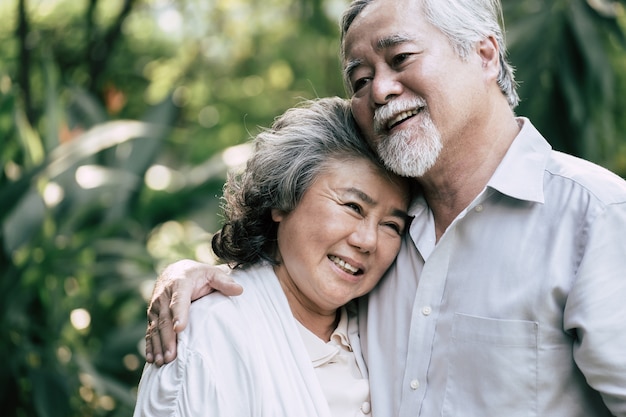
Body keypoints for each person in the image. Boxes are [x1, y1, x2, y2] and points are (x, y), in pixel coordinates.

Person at [144, 0, 626, 415]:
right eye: (360, 79)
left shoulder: (594, 217)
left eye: (401, 57)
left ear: (484, 54)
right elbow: (283, 301)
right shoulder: (388, 229)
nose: (379, 90)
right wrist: (192, 278)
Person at [134, 96, 411, 416]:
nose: (368, 241)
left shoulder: (381, 325)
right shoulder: (213, 334)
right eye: (352, 206)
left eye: (392, 225)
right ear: (283, 198)